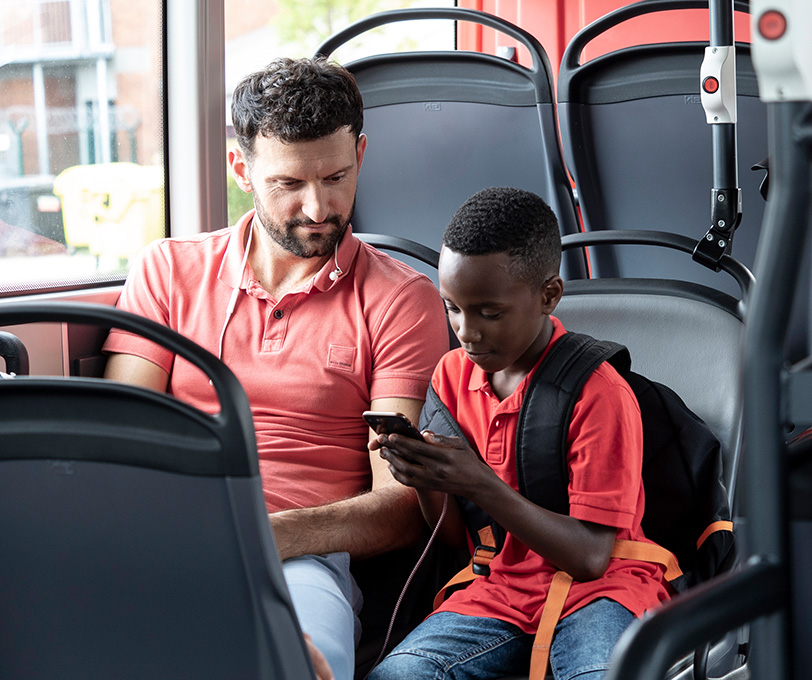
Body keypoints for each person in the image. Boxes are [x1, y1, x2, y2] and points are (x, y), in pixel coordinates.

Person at [102, 56, 449, 680]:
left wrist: (263, 536)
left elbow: (400, 507)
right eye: (288, 183)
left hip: (303, 555)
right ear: (242, 169)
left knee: (299, 663)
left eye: (337, 177)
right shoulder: (165, 272)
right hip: (165, 536)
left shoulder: (402, 300)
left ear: (362, 155)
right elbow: (124, 450)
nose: (318, 208)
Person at [367, 187, 672, 680]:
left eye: (489, 312)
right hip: (498, 589)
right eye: (453, 308)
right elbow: (455, 537)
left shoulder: (598, 392)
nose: (467, 332)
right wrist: (422, 476)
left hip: (601, 591)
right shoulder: (450, 377)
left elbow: (592, 557)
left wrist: (478, 483)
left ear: (549, 295)